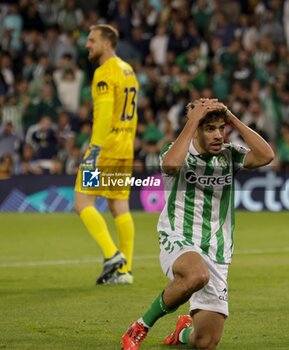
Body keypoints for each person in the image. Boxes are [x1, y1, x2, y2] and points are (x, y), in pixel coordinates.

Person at [121, 98, 274, 349]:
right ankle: (140, 326)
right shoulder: (176, 151)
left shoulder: (229, 155)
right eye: (209, 129)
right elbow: (170, 166)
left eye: (221, 129)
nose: (218, 135)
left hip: (217, 248)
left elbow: (267, 155)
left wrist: (232, 117)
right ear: (196, 129)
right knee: (196, 275)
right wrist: (192, 122)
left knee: (205, 342)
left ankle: (181, 333)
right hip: (178, 236)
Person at [74, 24, 139, 285]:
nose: (88, 44)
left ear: (107, 43)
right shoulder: (128, 70)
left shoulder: (104, 73)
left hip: (105, 150)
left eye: (92, 40)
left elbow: (103, 115)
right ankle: (126, 272)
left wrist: (94, 151)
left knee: (82, 203)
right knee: (118, 206)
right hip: (125, 148)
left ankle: (113, 255)